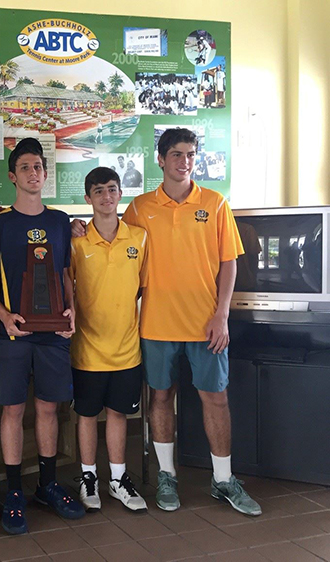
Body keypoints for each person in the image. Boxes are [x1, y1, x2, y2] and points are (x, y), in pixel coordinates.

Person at [122, 128, 261, 516]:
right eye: (177, 155)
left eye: (190, 155)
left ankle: (222, 480)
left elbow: (229, 262)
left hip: (207, 326)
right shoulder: (138, 208)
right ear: (161, 159)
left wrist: (222, 315)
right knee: (161, 398)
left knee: (215, 399)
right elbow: (121, 255)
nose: (185, 162)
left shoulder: (215, 204)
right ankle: (167, 476)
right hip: (156, 324)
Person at [0, 137, 84, 535]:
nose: (33, 173)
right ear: (13, 176)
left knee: (48, 409)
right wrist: (2, 315)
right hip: (13, 332)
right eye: (25, 167)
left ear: (46, 175)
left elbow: (66, 272)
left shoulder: (61, 221)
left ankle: (47, 484)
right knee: (12, 410)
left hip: (53, 333)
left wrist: (72, 308)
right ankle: (14, 491)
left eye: (38, 167)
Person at [70, 167, 148, 513]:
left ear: (120, 194)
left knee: (118, 414)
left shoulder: (139, 238)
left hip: (126, 349)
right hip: (86, 348)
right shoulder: (75, 240)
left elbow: (143, 287)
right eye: (98, 191)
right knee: (87, 414)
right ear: (88, 197)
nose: (106, 196)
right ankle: (89, 478)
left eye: (112, 189)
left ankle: (118, 478)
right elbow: (63, 288)